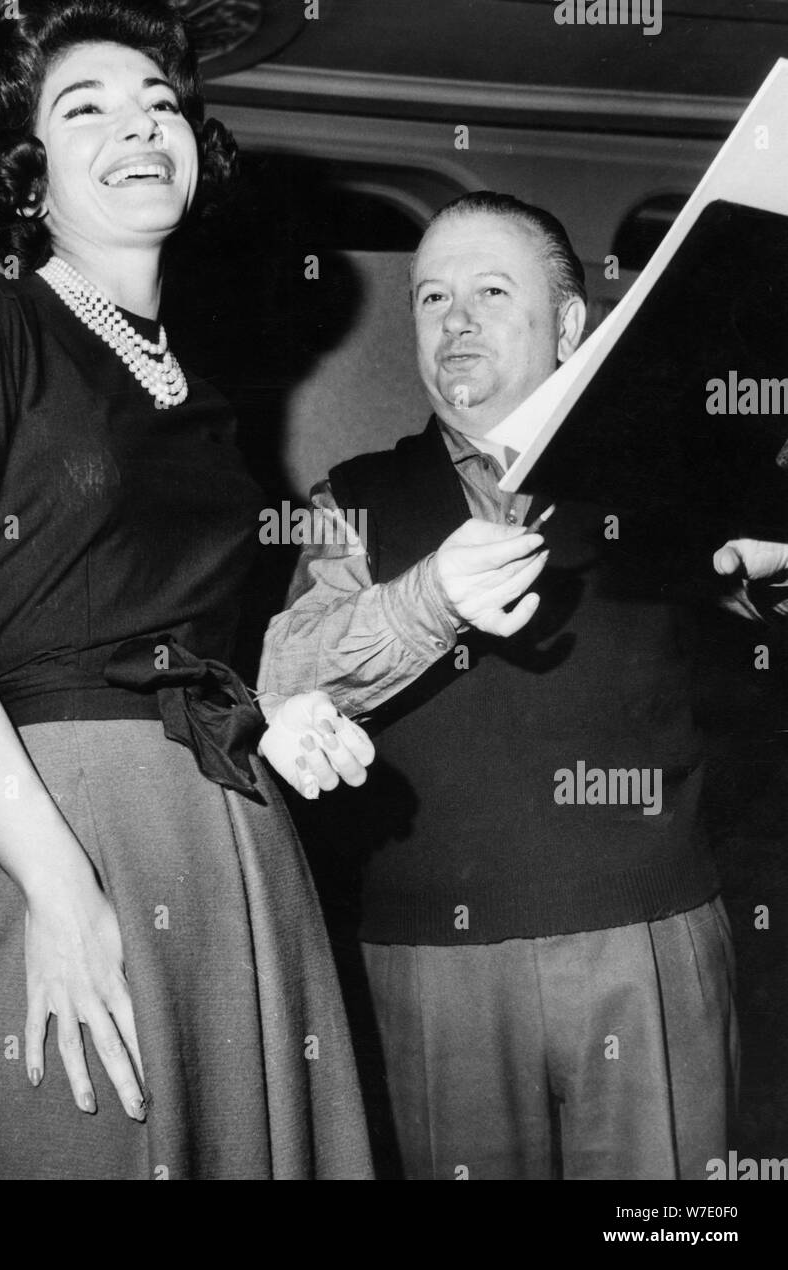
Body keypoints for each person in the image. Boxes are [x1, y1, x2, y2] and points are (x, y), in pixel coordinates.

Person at [0, 0, 400, 1181]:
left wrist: (281, 716)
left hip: (229, 824)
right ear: (29, 170)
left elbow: (184, 636)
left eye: (158, 101)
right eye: (85, 106)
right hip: (57, 821)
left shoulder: (206, 396)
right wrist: (56, 887)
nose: (137, 127)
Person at [259, 190, 788, 1180]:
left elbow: (757, 613)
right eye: (430, 297)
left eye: (491, 292)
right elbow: (285, 669)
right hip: (431, 971)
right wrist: (425, 599)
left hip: (650, 946)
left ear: (570, 325)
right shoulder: (355, 498)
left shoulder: (675, 480)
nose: (453, 322)